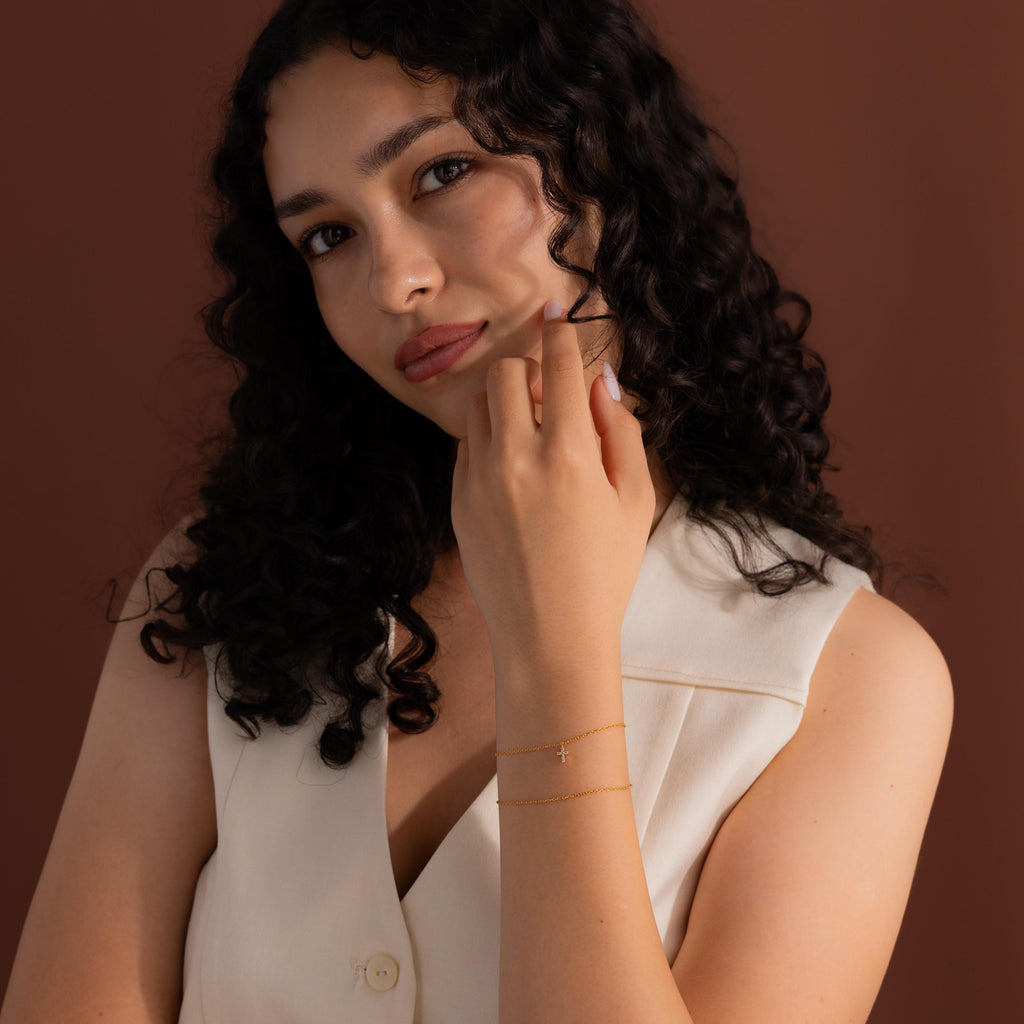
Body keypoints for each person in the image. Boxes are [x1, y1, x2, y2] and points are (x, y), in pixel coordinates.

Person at [1, 1, 954, 1021]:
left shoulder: (845, 678)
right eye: (328, 235)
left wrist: (554, 654)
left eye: (442, 173)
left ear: (598, 155)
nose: (395, 281)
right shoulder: (221, 588)